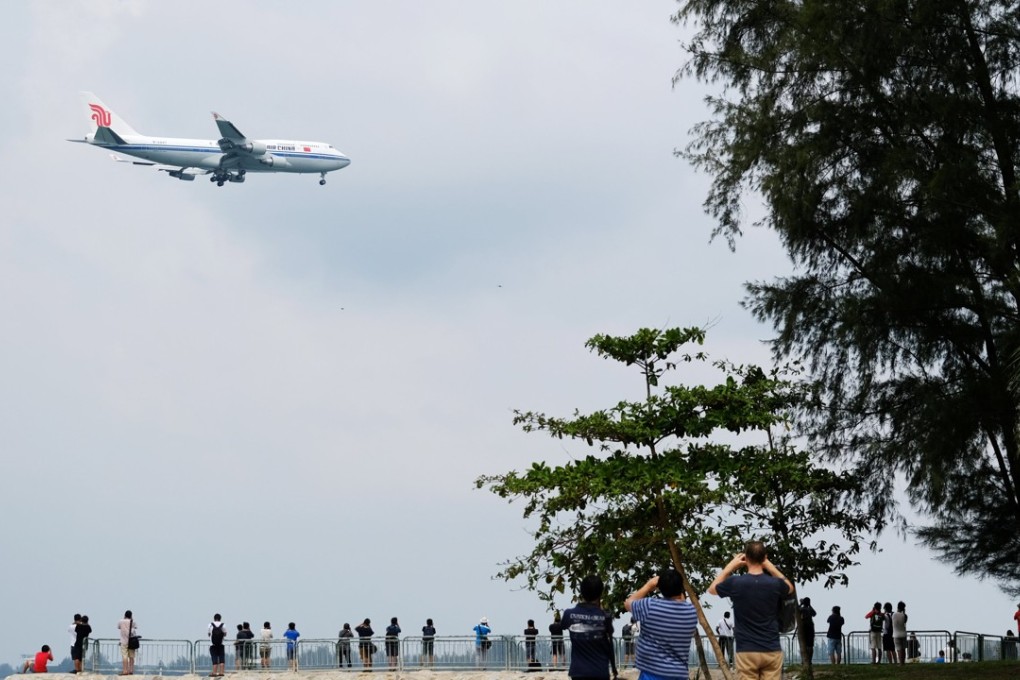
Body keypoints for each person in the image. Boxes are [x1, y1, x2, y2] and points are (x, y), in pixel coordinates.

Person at [708, 541, 793, 680]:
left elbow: (712, 589)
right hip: (771, 648)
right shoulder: (775, 584)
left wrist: (730, 566)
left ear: (745, 558)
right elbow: (789, 587)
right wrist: (771, 567)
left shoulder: (735, 583)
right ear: (765, 557)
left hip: (746, 649)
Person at [624, 568, 698, 680]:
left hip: (650, 674)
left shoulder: (649, 606)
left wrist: (648, 585)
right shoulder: (691, 612)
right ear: (681, 588)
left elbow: (628, 603)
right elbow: (681, 602)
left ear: (660, 588)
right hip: (678, 675)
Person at [562, 574, 615, 680]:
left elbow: (562, 626)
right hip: (600, 671)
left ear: (581, 592)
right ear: (600, 593)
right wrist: (614, 669)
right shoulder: (605, 616)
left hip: (578, 672)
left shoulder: (569, 614)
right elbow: (609, 645)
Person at [118, 611, 138, 676]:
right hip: (131, 641)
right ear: (131, 615)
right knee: (131, 657)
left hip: (123, 641)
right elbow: (135, 627)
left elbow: (118, 627)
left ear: (125, 615)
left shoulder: (121, 621)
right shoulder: (132, 622)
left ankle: (125, 671)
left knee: (125, 656)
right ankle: (131, 670)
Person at [799, 598, 816, 664]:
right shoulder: (810, 609)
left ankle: (804, 660)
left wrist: (800, 604)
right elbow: (814, 614)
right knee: (810, 645)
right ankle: (809, 660)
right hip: (810, 627)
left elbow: (796, 610)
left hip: (803, 627)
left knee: (804, 644)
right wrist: (810, 605)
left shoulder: (802, 609)